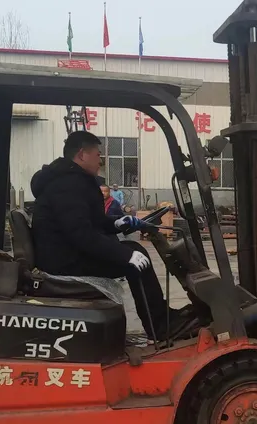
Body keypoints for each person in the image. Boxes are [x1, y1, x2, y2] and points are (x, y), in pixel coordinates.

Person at [30, 130, 171, 339]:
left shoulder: (75, 180)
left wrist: (118, 222)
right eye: (97, 155)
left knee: (134, 250)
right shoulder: (67, 185)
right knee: (135, 259)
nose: (101, 161)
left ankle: (161, 320)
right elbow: (81, 233)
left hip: (68, 252)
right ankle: (160, 327)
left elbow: (92, 221)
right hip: (64, 261)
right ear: (82, 155)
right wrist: (124, 256)